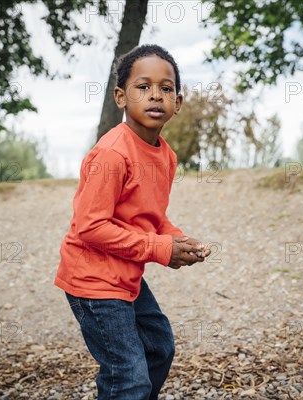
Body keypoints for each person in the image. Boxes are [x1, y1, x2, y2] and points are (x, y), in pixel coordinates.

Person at [54, 44, 211, 399]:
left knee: (159, 349)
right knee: (128, 376)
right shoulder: (111, 154)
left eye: (166, 88)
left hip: (124, 274)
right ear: (121, 97)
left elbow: (150, 217)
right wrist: (159, 248)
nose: (155, 95)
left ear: (178, 102)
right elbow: (89, 228)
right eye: (143, 87)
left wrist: (178, 241)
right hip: (92, 281)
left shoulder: (165, 155)